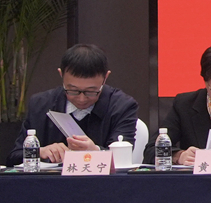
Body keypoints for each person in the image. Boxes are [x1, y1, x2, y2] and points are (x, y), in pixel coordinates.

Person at [10, 43, 139, 165]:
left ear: (105, 77)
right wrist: (39, 152)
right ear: (61, 74)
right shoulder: (40, 104)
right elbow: (13, 158)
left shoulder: (122, 106)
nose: (81, 99)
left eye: (91, 91)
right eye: (72, 90)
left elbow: (123, 159)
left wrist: (96, 152)